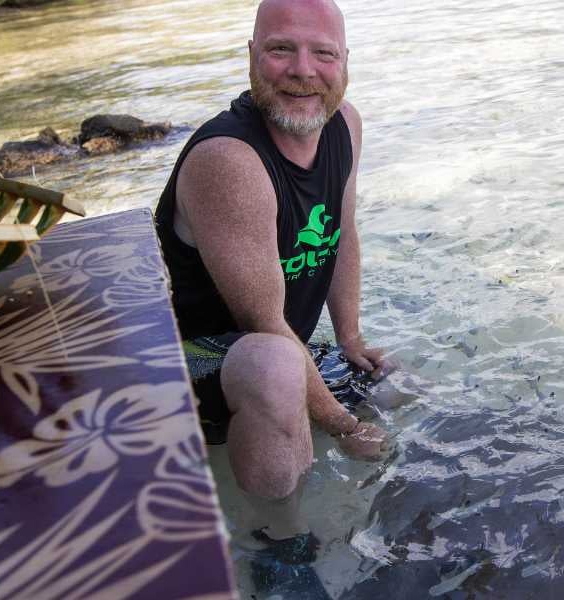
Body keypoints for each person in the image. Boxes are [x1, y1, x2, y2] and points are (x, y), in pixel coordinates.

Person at [154, 1, 388, 592]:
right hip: (187, 364)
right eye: (282, 49)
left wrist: (352, 338)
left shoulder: (345, 125)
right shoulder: (229, 160)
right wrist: (342, 424)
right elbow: (261, 321)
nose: (302, 70)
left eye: (323, 53)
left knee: (405, 384)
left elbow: (343, 233)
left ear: (345, 63)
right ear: (253, 57)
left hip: (273, 345)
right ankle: (278, 543)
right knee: (278, 365)